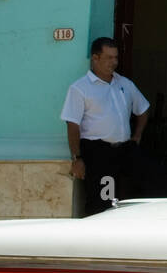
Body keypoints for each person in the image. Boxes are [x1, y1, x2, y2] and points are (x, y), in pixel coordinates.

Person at [61, 37, 150, 216]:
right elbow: (72, 125)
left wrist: (137, 136)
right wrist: (77, 158)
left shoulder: (124, 84)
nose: (114, 62)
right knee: (103, 201)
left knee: (135, 195)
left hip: (125, 151)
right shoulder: (80, 88)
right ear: (95, 58)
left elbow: (143, 109)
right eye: (109, 57)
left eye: (116, 57)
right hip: (99, 153)